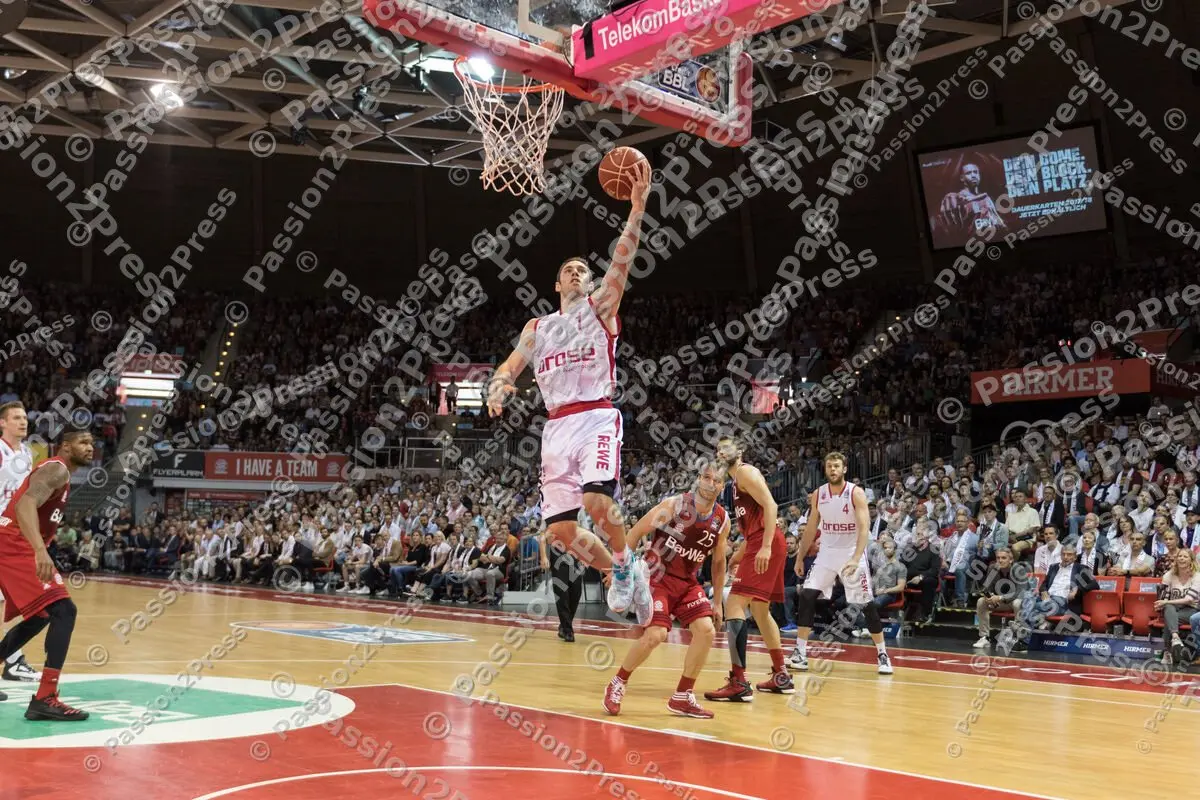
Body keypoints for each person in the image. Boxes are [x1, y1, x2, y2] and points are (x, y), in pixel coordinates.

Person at [486, 159, 652, 623]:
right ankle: (626, 568)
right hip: (555, 427)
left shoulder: (601, 309)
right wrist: (499, 385)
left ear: (592, 282)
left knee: (598, 503)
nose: (578, 273)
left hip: (596, 415)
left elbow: (622, 259)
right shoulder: (538, 327)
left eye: (584, 269)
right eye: (570, 270)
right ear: (557, 284)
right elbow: (511, 364)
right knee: (559, 532)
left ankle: (621, 567)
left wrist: (635, 211)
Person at [604, 464, 729, 718]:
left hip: (687, 582)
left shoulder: (722, 520)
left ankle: (683, 695)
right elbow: (637, 531)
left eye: (716, 480)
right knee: (656, 635)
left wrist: (717, 601)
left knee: (706, 631)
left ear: (722, 486)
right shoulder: (676, 505)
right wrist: (618, 571)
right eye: (706, 477)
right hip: (656, 576)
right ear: (698, 479)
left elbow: (718, 563)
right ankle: (618, 682)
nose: (709, 483)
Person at [0, 430, 94, 718]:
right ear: (65, 447)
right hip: (15, 546)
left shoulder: (60, 473)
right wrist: (40, 550)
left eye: (92, 443)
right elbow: (25, 503)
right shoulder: (57, 469)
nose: (90, 448)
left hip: (10, 543)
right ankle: (45, 698)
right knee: (64, 611)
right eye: (83, 442)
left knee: (40, 616)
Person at [789, 451, 894, 675]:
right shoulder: (818, 494)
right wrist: (800, 556)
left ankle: (883, 654)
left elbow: (865, 528)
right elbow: (810, 528)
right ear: (825, 470)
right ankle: (800, 652)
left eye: (837, 466)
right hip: (826, 553)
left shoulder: (855, 493)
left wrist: (856, 558)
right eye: (829, 466)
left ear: (844, 469)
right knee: (807, 595)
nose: (833, 470)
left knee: (867, 605)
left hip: (851, 553)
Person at [704, 438, 792, 701]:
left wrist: (764, 547)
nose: (721, 451)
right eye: (718, 448)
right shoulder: (733, 484)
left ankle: (739, 681)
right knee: (760, 611)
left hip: (767, 542)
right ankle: (781, 675)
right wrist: (739, 555)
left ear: (739, 452)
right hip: (761, 541)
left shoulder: (745, 472)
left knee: (734, 605)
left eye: (727, 447)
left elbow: (772, 506)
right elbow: (752, 526)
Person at [0, 401, 39, 682]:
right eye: (16, 418)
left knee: (15, 601)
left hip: (12, 537)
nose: (23, 422)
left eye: (24, 417)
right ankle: (13, 660)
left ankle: (13, 659)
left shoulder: (26, 453)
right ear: (3, 423)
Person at [1158, 549, 1200, 668]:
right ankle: (1175, 637)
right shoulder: (1169, 575)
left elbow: (1189, 599)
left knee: (1169, 617)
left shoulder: (1197, 576)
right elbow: (1162, 597)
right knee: (1168, 608)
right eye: (1179, 556)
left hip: (1191, 609)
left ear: (1191, 560)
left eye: (1185, 556)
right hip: (1174, 609)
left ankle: (1166, 652)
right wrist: (1162, 602)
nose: (1181, 558)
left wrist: (1166, 602)